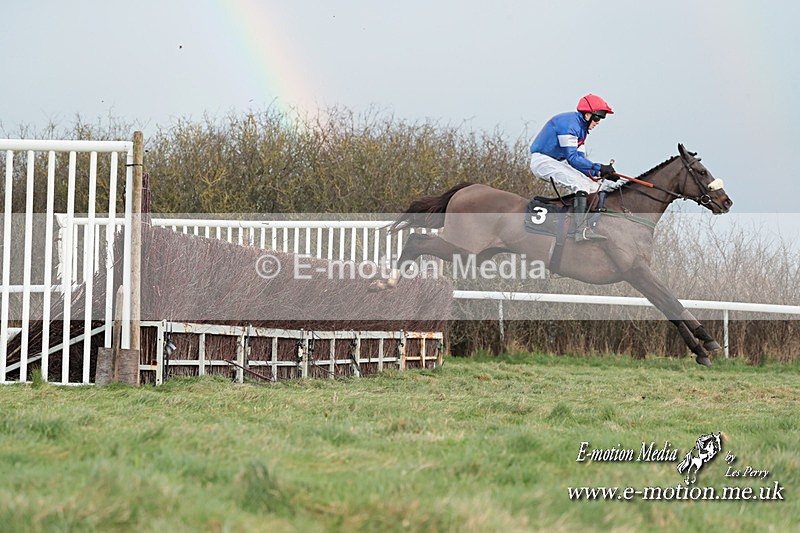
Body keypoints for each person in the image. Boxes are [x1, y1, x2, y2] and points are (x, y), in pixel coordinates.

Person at [529, 94, 619, 242]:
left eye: (600, 119)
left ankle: (588, 225)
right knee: (581, 185)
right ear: (587, 114)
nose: (598, 122)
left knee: (593, 186)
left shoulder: (581, 130)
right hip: (542, 161)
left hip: (553, 162)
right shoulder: (570, 125)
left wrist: (600, 173)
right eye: (597, 118)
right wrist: (600, 167)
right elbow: (572, 159)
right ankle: (580, 231)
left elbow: (580, 163)